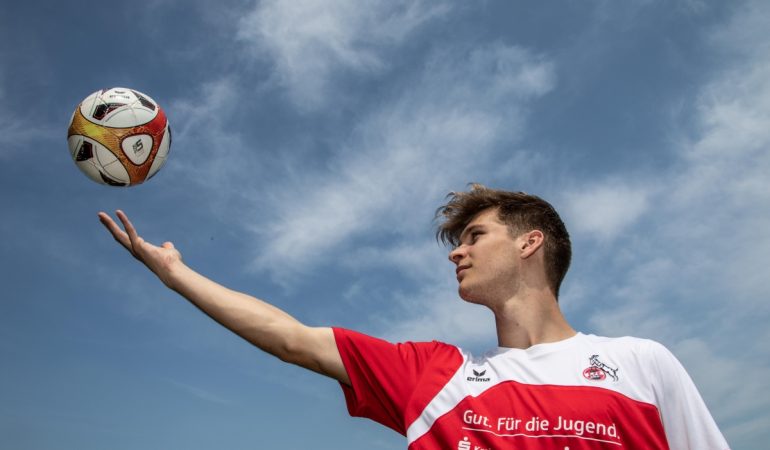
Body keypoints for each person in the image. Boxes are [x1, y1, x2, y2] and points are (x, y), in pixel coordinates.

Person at [98, 184, 729, 449]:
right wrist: (176, 275)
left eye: (475, 235)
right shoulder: (433, 375)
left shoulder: (641, 364)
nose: (457, 250)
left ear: (531, 243)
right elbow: (292, 338)